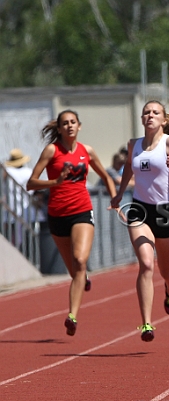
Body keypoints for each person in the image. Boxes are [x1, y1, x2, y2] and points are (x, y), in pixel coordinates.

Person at [110, 100, 169, 342]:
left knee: (166, 271)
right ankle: (146, 324)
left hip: (164, 212)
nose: (150, 116)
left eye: (155, 113)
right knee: (146, 265)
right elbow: (129, 168)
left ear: (163, 120)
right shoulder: (133, 145)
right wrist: (120, 194)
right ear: (142, 119)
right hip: (139, 209)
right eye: (146, 112)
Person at [26, 110, 116, 336]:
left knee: (79, 260)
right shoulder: (51, 151)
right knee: (74, 270)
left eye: (73, 122)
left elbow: (105, 177)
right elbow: (31, 183)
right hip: (57, 215)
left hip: (81, 211)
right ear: (59, 128)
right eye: (64, 124)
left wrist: (114, 198)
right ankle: (82, 277)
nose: (69, 127)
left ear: (79, 126)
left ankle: (72, 316)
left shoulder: (88, 151)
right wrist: (55, 182)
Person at [3, 148, 34, 250]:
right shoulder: (28, 172)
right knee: (19, 235)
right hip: (24, 207)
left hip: (9, 207)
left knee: (9, 232)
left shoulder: (7, 172)